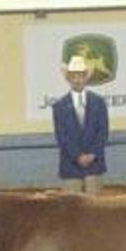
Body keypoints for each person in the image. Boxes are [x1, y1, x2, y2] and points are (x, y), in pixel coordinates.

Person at [52, 55, 109, 194]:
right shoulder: (59, 106)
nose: (77, 80)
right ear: (69, 79)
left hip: (94, 165)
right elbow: (61, 137)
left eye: (81, 76)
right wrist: (77, 156)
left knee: (95, 209)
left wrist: (92, 154)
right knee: (71, 210)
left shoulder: (99, 103)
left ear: (86, 78)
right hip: (71, 166)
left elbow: (103, 132)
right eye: (74, 76)